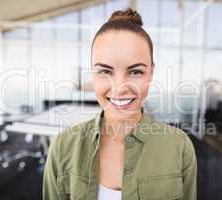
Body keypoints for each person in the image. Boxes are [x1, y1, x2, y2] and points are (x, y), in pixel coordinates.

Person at [43, 7, 197, 200]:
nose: (119, 88)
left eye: (135, 72)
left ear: (151, 72)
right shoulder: (63, 147)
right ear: (93, 73)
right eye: (105, 71)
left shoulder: (179, 147)